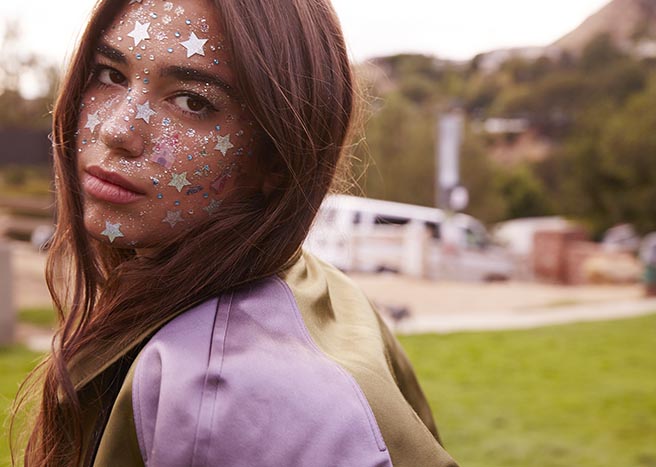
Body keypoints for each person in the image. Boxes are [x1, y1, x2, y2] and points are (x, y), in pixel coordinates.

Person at [13, 0, 459, 466]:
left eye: (191, 101)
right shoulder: (323, 288)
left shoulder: (218, 391)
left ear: (277, 156)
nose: (116, 130)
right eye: (110, 74)